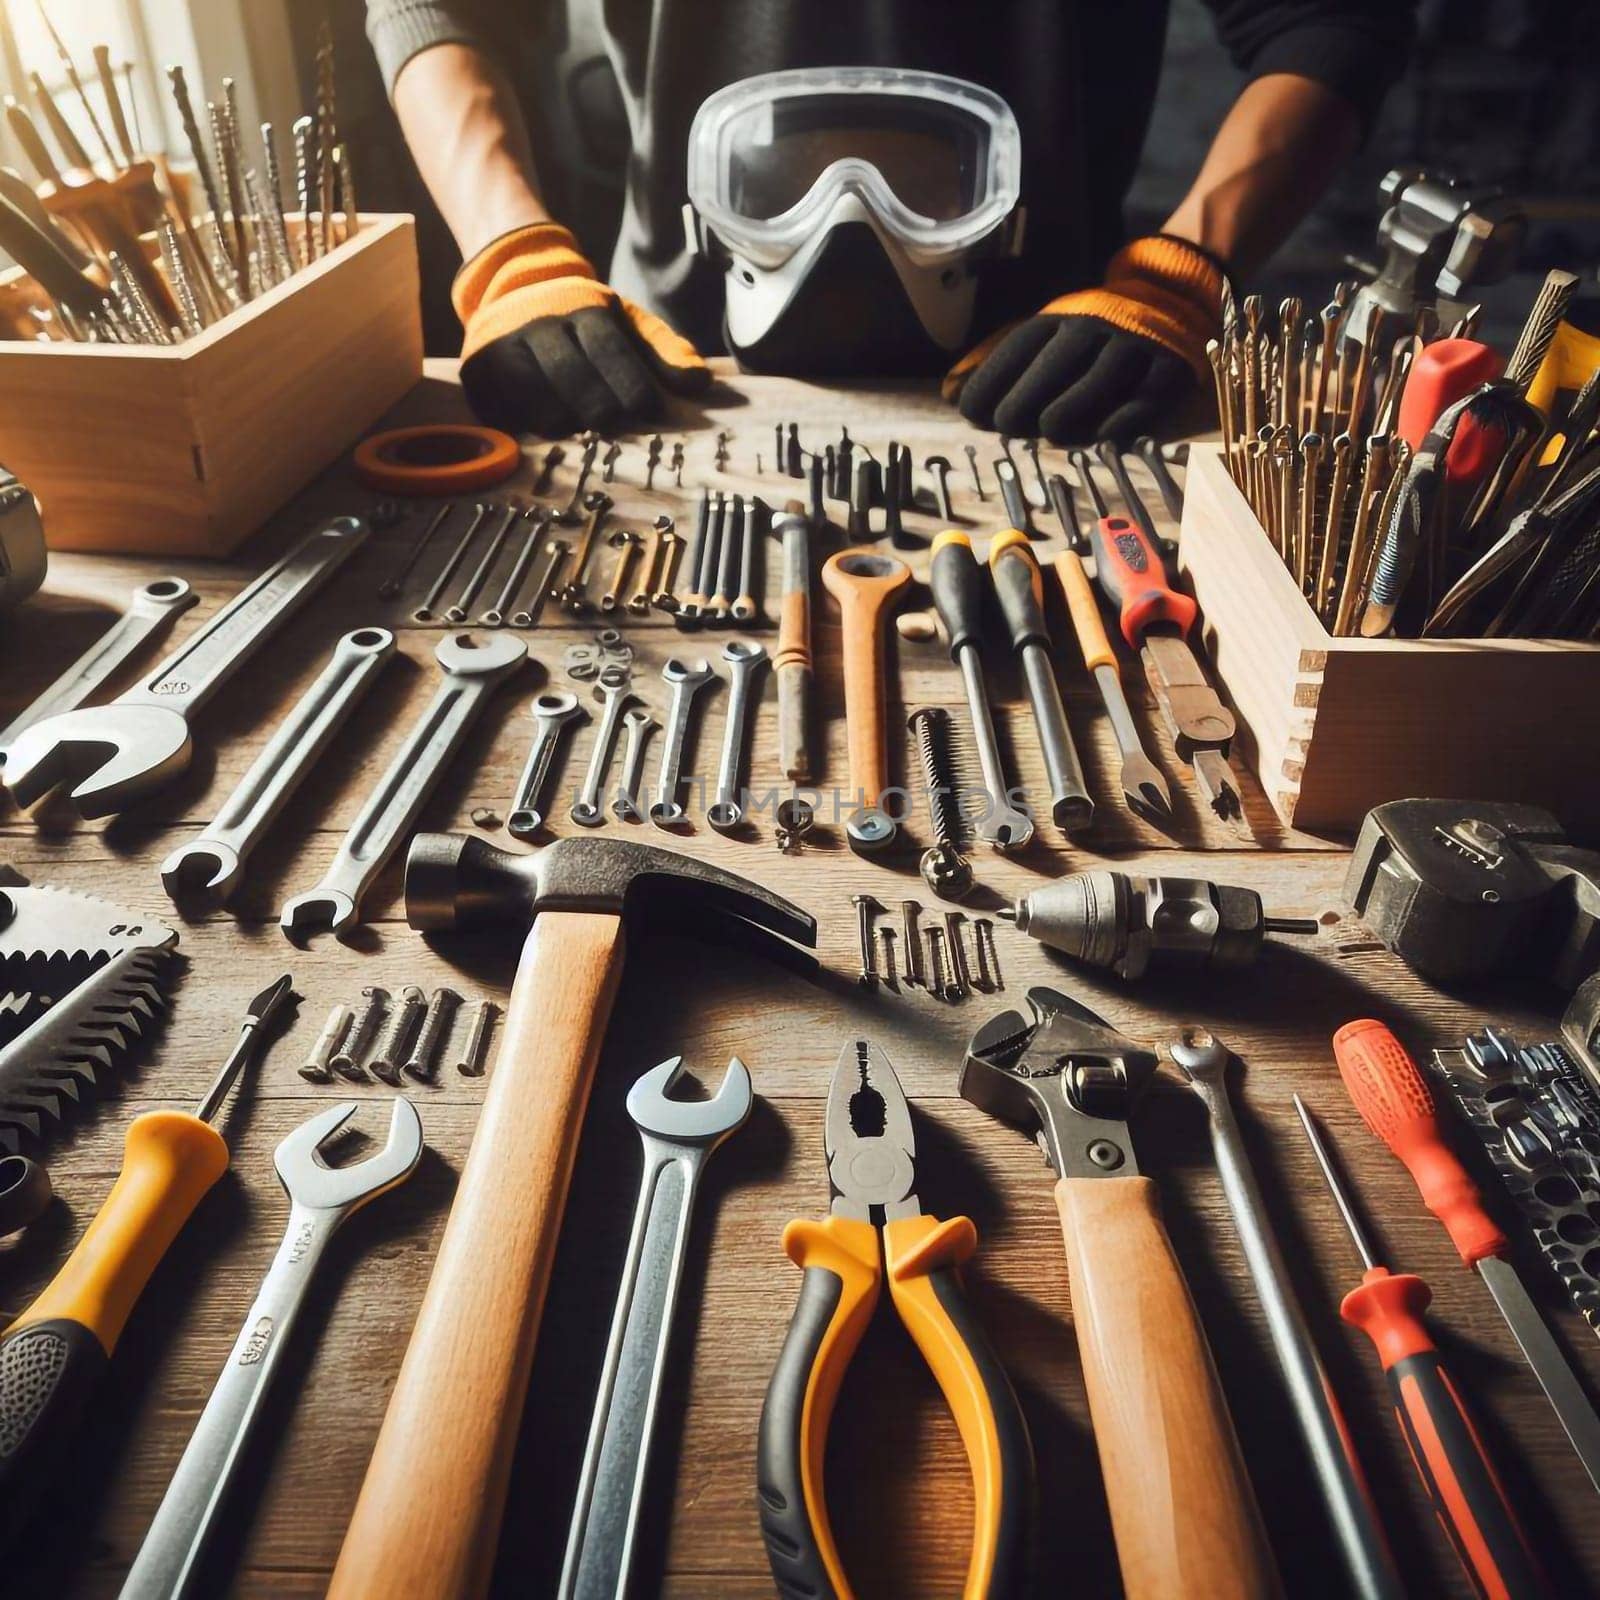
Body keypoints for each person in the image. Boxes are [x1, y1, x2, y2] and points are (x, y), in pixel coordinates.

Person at [365, 2, 1414, 441]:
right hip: (667, 383)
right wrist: (513, 256)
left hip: (1052, 385)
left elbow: (1331, 20)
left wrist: (1178, 273)